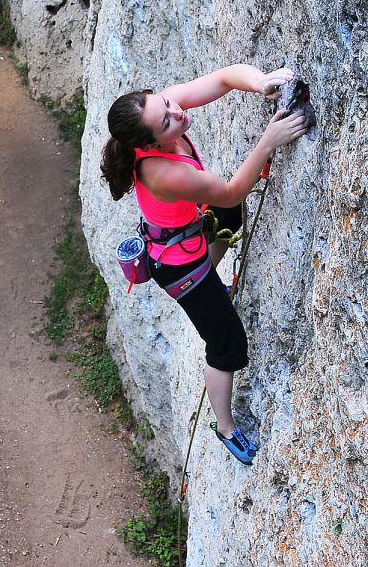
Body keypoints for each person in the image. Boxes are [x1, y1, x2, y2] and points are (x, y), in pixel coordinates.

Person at [99, 63, 307, 465]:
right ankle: (226, 428)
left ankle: (214, 288)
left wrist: (260, 82)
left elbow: (226, 78)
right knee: (227, 343)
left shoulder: (162, 111)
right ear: (151, 142)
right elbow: (229, 192)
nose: (177, 112)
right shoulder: (161, 173)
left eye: (166, 103)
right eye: (166, 120)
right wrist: (268, 142)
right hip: (179, 268)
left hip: (189, 236)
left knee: (229, 220)